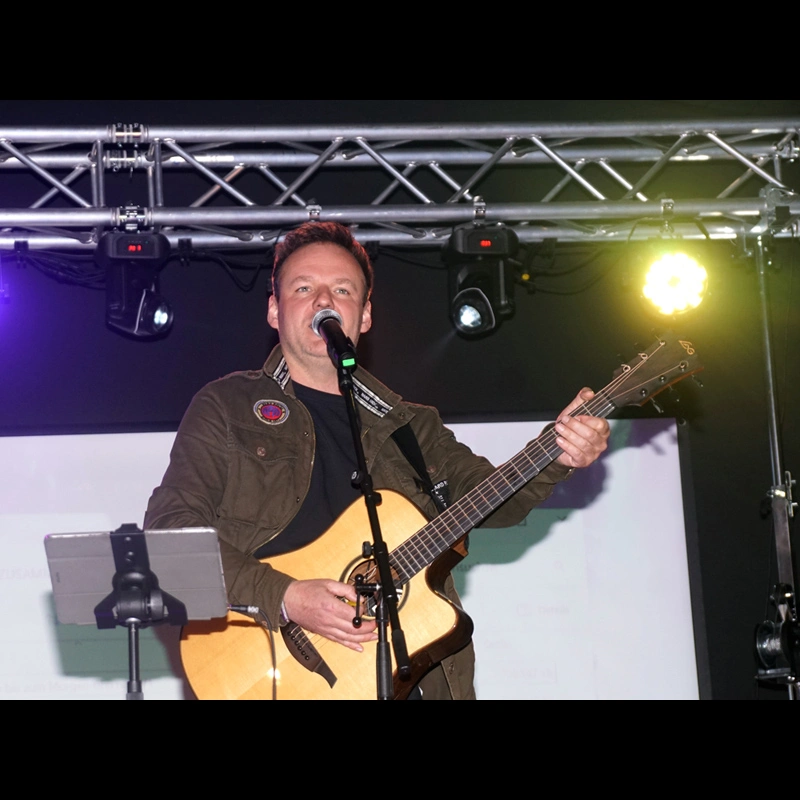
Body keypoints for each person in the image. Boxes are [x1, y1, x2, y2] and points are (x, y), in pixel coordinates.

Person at [144, 221, 609, 699]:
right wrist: (285, 596)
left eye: (342, 290)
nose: (323, 300)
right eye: (303, 288)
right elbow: (168, 535)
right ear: (274, 311)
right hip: (269, 671)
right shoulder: (227, 407)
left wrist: (558, 452)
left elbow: (491, 501)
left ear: (364, 315)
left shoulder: (412, 425)